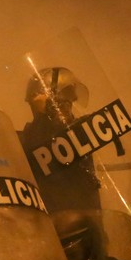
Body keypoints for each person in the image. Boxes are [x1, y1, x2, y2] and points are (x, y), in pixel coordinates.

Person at [18, 66, 101, 214]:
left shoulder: (79, 133)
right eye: (62, 102)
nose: (67, 108)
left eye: (69, 102)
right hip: (53, 227)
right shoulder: (23, 140)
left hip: (90, 222)